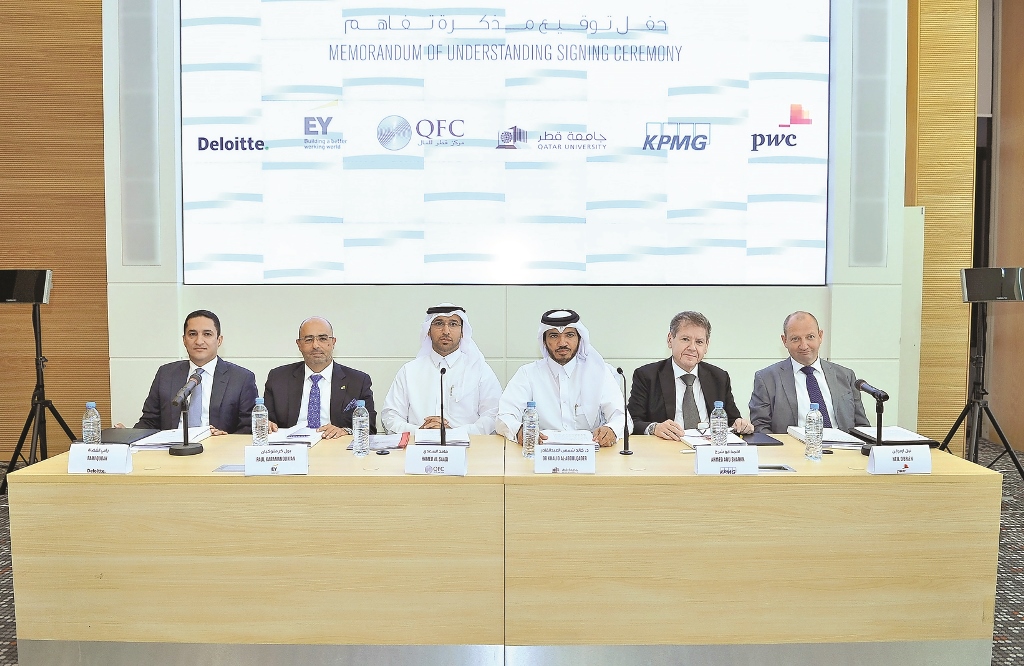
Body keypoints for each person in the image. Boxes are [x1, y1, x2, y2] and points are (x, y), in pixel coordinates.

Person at [496, 309, 625, 447]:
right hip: (542, 456)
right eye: (553, 336)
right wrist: (520, 430)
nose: (562, 342)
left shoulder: (599, 372)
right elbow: (504, 416)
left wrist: (612, 429)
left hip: (592, 457)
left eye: (569, 335)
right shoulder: (528, 374)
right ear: (544, 341)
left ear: (579, 339)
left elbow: (621, 416)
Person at [628, 311, 753, 440]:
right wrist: (655, 428)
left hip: (709, 449)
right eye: (685, 339)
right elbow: (632, 421)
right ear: (670, 340)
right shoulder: (647, 376)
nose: (692, 348)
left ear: (706, 346)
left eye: (699, 342)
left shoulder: (719, 377)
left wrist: (741, 424)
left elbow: (732, 419)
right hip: (667, 448)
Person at [381, 304, 501, 435]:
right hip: (417, 449)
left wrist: (453, 434)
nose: (446, 331)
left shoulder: (479, 370)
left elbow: (493, 416)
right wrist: (421, 432)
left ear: (462, 332)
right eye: (439, 323)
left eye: (453, 324)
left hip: (469, 450)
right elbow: (390, 416)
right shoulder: (409, 371)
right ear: (428, 331)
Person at [133, 309, 258, 434]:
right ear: (184, 340)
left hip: (218, 451)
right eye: (192, 334)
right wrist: (128, 436)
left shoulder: (241, 378)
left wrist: (226, 440)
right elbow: (149, 422)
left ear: (219, 340)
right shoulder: (166, 374)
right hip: (172, 450)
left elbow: (249, 428)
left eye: (207, 334)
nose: (199, 341)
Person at [748, 311, 869, 433]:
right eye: (796, 339)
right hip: (791, 450)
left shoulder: (846, 376)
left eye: (810, 337)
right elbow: (760, 427)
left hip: (844, 449)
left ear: (820, 336)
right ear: (784, 341)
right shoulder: (766, 379)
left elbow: (862, 426)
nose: (804, 346)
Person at [264, 316, 376, 438]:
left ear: (333, 342)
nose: (315, 345)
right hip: (291, 450)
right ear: (299, 344)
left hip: (335, 449)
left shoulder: (358, 381)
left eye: (322, 339)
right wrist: (267, 425)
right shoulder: (278, 378)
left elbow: (369, 428)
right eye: (308, 339)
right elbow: (266, 421)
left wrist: (345, 431)